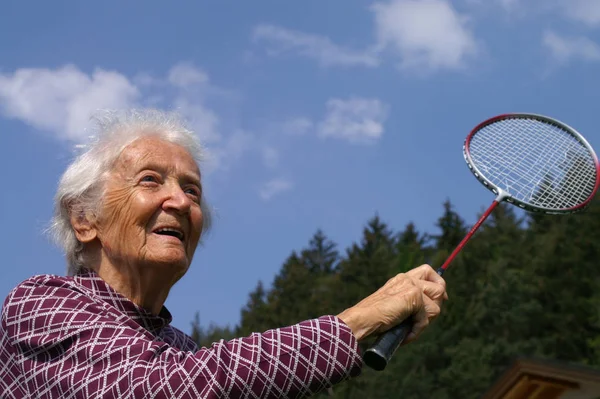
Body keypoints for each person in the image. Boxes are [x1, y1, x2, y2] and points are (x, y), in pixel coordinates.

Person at [0, 109, 447, 398]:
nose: (180, 202)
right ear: (85, 219)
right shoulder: (40, 303)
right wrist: (361, 320)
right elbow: (158, 390)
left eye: (191, 190)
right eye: (150, 180)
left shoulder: (178, 349)